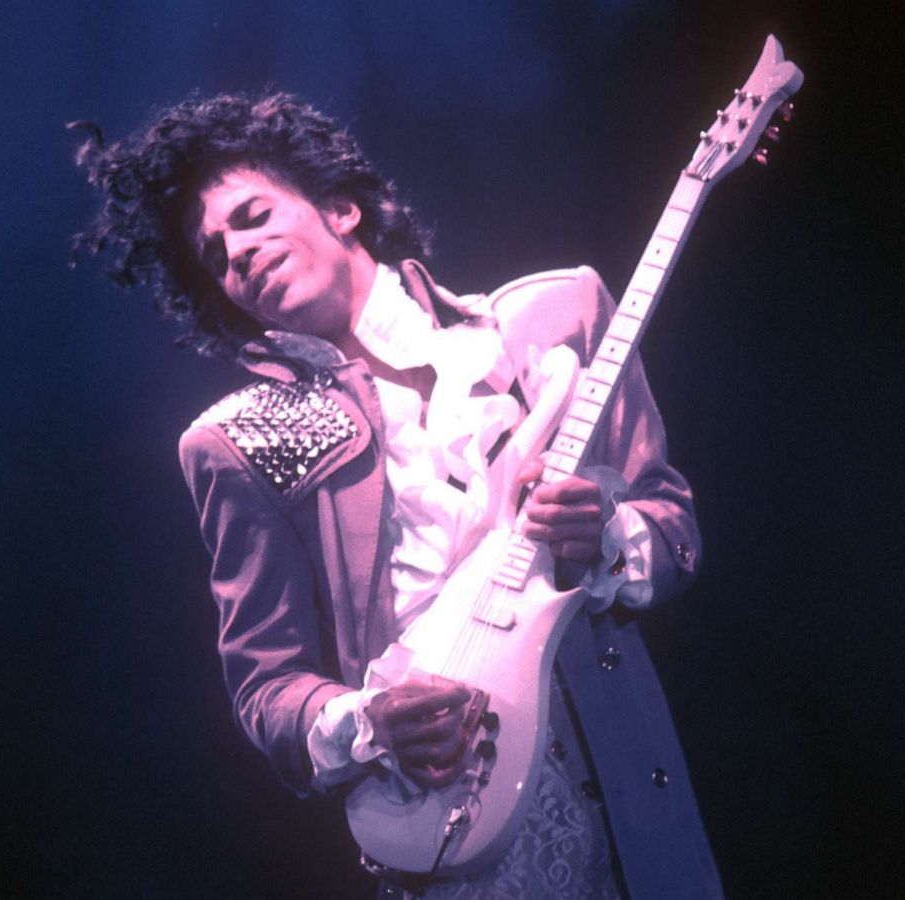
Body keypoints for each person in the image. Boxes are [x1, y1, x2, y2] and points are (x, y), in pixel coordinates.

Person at [74, 91, 722, 899]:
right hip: (450, 817)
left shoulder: (552, 322)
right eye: (214, 256)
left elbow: (673, 526)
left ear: (341, 210)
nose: (236, 252)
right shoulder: (238, 442)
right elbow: (268, 690)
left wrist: (610, 532)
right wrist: (371, 723)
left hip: (625, 784)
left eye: (251, 216)